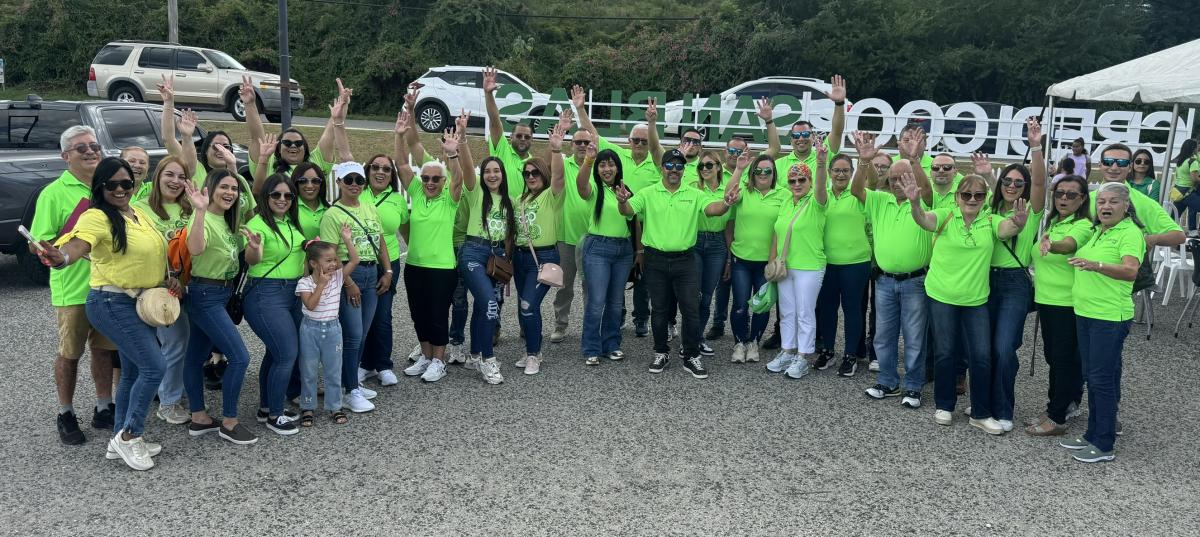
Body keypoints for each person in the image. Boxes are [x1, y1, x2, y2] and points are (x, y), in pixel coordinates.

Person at [38, 157, 179, 471]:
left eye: (126, 183)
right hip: (112, 304)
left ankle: (120, 437)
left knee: (131, 373)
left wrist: (167, 275)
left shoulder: (139, 212)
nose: (120, 189)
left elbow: (154, 250)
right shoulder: (96, 216)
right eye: (112, 184)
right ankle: (130, 436)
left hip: (142, 303)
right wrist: (60, 257)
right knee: (154, 367)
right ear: (100, 186)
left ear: (134, 185)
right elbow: (76, 247)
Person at [899, 170, 1027, 435]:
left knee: (980, 356)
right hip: (941, 295)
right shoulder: (946, 214)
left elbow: (1008, 228)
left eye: (978, 195)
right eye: (966, 194)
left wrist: (1019, 222)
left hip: (976, 299)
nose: (972, 199)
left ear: (985, 197)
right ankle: (944, 405)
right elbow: (923, 220)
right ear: (957, 196)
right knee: (945, 352)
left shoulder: (990, 220)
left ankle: (980, 413)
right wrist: (914, 202)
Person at [617, 147, 739, 378]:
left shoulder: (693, 193)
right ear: (662, 168)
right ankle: (661, 352)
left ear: (684, 170)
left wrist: (727, 203)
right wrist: (622, 201)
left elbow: (713, 210)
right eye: (670, 165)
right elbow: (629, 210)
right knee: (660, 310)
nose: (674, 170)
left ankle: (691, 355)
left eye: (679, 166)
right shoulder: (648, 192)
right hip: (656, 259)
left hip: (685, 260)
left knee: (691, 309)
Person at [30, 125, 118, 445]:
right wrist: (58, 250)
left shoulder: (109, 187)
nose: (91, 151)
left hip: (107, 286)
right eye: (82, 148)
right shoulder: (54, 193)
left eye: (94, 146)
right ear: (66, 156)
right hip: (73, 288)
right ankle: (65, 413)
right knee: (70, 354)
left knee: (105, 351)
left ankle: (103, 407)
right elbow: (37, 242)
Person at [1059, 181, 1144, 463]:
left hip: (1109, 317)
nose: (1106, 207)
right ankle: (1092, 434)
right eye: (1102, 202)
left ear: (1126, 206)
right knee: (1091, 376)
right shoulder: (1099, 230)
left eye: (1113, 202)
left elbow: (1131, 271)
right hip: (1086, 312)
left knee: (1101, 380)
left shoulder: (1129, 233)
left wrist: (1097, 266)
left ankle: (1104, 443)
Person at [852, 133, 931, 408]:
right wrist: (863, 162)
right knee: (883, 336)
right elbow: (857, 192)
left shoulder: (923, 203)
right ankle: (887, 381)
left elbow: (927, 191)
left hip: (915, 281)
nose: (899, 183)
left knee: (914, 337)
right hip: (884, 281)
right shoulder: (879, 200)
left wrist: (913, 159)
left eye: (905, 177)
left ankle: (913, 386)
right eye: (894, 178)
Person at [180, 169, 257, 445]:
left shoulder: (227, 221)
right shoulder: (202, 217)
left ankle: (199, 418)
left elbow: (247, 256)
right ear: (210, 189)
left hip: (221, 294)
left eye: (234, 189)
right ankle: (229, 421)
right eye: (224, 187)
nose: (230, 193)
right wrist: (199, 211)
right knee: (240, 357)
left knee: (196, 354)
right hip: (205, 294)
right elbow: (196, 248)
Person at [982, 118, 1047, 432]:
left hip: (1013, 284)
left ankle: (1003, 408)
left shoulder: (1031, 211)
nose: (1011, 186)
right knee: (983, 347)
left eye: (1017, 182)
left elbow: (1039, 184)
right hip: (982, 281)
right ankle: (985, 401)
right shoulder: (987, 211)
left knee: (1004, 347)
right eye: (1006, 181)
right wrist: (984, 175)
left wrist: (1035, 147)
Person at [319, 162, 391, 411]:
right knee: (352, 336)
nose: (354, 185)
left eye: (359, 180)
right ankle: (349, 390)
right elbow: (329, 256)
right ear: (338, 183)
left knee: (361, 334)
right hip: (349, 274)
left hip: (372, 274)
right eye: (348, 180)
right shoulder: (332, 215)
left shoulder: (369, 206)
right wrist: (348, 283)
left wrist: (388, 270)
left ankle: (349, 384)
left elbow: (379, 240)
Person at [1027, 174, 1091, 436]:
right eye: (1060, 193)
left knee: (1062, 360)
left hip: (1067, 303)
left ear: (1083, 199)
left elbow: (1068, 246)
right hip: (1047, 301)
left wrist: (1051, 245)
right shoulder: (1054, 221)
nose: (1064, 198)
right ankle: (1064, 403)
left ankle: (1056, 417)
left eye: (1071, 194)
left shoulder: (1083, 225)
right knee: (1055, 357)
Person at [242, 173, 306, 436]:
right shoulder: (258, 224)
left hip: (291, 294)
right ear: (265, 197)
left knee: (275, 351)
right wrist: (254, 248)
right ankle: (276, 415)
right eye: (276, 195)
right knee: (287, 353)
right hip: (266, 295)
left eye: (288, 195)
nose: (282, 200)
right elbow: (252, 259)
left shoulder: (290, 222)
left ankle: (267, 407)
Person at [400, 128, 465, 383]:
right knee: (419, 314)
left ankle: (439, 360)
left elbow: (458, 179)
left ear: (443, 181)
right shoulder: (417, 193)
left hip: (442, 268)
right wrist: (398, 135)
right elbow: (402, 164)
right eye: (425, 178)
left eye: (435, 179)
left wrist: (452, 155)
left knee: (438, 315)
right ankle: (426, 357)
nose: (429, 182)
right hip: (415, 265)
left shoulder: (449, 199)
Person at [454, 122, 517, 385]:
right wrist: (464, 138)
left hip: (495, 256)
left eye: (496, 171)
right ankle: (489, 360)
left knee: (484, 306)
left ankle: (475, 354)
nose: (492, 175)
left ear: (503, 174)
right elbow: (468, 167)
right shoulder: (476, 191)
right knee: (489, 302)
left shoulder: (509, 200)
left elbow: (509, 235)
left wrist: (507, 262)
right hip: (472, 252)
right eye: (488, 171)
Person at [132, 155, 193, 425]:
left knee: (185, 343)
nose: (175, 181)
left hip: (191, 284)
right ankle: (167, 402)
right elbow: (138, 249)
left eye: (181, 176)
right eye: (170, 174)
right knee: (175, 342)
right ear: (157, 176)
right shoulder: (139, 209)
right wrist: (166, 277)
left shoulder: (189, 208)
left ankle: (173, 391)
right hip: (160, 288)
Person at [764, 142, 829, 380]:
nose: (797, 184)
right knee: (787, 312)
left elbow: (822, 187)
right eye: (793, 181)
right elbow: (778, 232)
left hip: (810, 266)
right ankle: (788, 351)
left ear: (810, 182)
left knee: (804, 312)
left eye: (802, 180)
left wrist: (821, 163)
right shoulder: (785, 202)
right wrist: (773, 259)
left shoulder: (817, 201)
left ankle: (803, 357)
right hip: (785, 267)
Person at [511, 121, 568, 375]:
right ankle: (531, 351)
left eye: (535, 173)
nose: (531, 177)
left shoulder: (551, 196)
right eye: (527, 174)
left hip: (543, 257)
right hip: (520, 258)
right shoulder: (518, 200)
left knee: (528, 305)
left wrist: (555, 150)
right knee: (523, 305)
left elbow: (558, 176)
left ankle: (534, 354)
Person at [358, 127, 411, 387]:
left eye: (386, 169)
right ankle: (364, 364)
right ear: (367, 171)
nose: (381, 172)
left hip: (388, 263)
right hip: (359, 262)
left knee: (382, 315)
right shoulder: (357, 192)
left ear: (392, 176)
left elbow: (407, 231)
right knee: (359, 315)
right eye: (376, 167)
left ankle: (382, 363)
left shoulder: (398, 201)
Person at [575, 145, 635, 366]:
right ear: (597, 169)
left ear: (618, 168)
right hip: (598, 248)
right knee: (596, 301)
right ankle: (591, 347)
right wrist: (588, 160)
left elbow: (633, 221)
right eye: (602, 165)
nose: (607, 168)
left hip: (623, 250)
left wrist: (624, 200)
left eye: (611, 164)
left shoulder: (625, 190)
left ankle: (611, 344)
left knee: (615, 302)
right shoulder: (595, 190)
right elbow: (580, 185)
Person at [813, 152, 871, 377]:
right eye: (836, 170)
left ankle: (850, 355)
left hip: (855, 263)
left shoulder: (859, 195)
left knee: (852, 309)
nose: (840, 174)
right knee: (827, 309)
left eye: (845, 170)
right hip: (827, 262)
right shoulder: (822, 195)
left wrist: (864, 160)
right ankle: (827, 351)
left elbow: (872, 182)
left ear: (852, 172)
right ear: (829, 172)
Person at [726, 153, 787, 363]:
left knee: (762, 305)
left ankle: (754, 342)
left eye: (767, 171)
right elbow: (728, 195)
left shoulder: (783, 194)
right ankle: (739, 343)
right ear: (753, 174)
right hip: (741, 259)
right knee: (741, 304)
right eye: (758, 170)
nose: (763, 174)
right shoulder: (744, 190)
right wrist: (739, 169)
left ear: (774, 174)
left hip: (767, 262)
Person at [296, 235, 358, 427]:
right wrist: (321, 285)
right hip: (310, 330)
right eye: (329, 260)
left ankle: (335, 406)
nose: (334, 264)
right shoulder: (304, 283)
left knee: (333, 370)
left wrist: (347, 240)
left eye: (335, 260)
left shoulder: (339, 277)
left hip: (333, 329)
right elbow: (311, 306)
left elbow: (355, 260)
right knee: (308, 371)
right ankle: (307, 406)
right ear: (314, 263)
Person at [1090, 143, 1185, 250]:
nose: (1114, 167)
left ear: (1130, 167)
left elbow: (1178, 235)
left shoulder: (1144, 202)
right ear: (1100, 165)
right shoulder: (1085, 199)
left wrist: (1147, 240)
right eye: (1108, 162)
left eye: (1122, 163)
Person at [245, 76, 339, 179]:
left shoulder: (315, 162)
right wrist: (250, 104)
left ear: (305, 148)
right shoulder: (267, 162)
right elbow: (256, 136)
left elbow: (329, 137)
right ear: (279, 148)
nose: (293, 146)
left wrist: (336, 117)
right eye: (287, 143)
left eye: (298, 143)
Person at [692, 149, 733, 358]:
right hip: (696, 242)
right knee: (694, 295)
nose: (705, 169)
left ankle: (698, 338)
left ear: (719, 167)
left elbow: (729, 226)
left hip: (717, 244)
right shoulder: (692, 188)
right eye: (701, 166)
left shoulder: (726, 191)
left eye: (709, 165)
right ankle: (689, 340)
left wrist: (728, 257)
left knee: (707, 295)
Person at [482, 66, 535, 199]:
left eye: (527, 137)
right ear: (511, 137)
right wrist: (488, 94)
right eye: (518, 136)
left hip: (523, 215)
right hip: (500, 214)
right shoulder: (502, 150)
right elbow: (495, 121)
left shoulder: (534, 163)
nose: (523, 139)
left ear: (532, 140)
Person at [292, 162, 329, 239]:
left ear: (321, 184)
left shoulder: (329, 209)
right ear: (296, 183)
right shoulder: (289, 208)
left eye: (315, 181)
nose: (309, 186)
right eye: (303, 181)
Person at [1170, 139, 1199, 231]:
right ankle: (1192, 232)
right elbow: (1195, 178)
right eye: (1196, 146)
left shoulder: (1181, 161)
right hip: (1188, 191)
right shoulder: (1192, 161)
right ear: (1193, 148)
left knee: (1174, 215)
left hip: (1179, 191)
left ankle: (1169, 231)